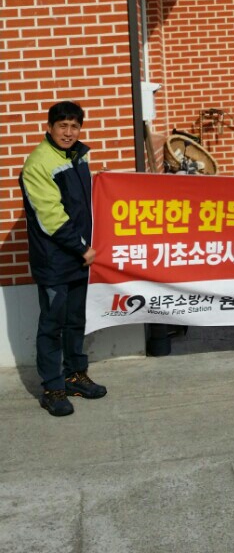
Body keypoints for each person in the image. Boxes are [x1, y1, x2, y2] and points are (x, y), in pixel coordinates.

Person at [19, 101, 107, 416]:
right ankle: (53, 388)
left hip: (78, 257)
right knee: (52, 325)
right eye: (62, 126)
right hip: (55, 260)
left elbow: (84, 204)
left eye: (74, 126)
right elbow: (51, 218)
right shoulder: (39, 163)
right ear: (50, 127)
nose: (68, 132)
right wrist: (83, 248)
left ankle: (74, 375)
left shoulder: (78, 156)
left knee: (75, 321)